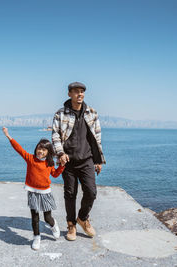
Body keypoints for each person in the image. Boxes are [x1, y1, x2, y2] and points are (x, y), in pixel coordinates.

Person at [51, 81, 106, 241]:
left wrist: (98, 160)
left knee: (91, 192)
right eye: (76, 91)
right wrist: (60, 153)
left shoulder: (92, 113)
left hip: (87, 159)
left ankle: (82, 218)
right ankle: (71, 225)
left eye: (82, 91)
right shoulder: (60, 114)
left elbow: (97, 137)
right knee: (70, 194)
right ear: (69, 94)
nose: (80, 94)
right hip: (68, 161)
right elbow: (55, 135)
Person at [2, 127, 65, 250]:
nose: (40, 151)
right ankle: (36, 237)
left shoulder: (49, 163)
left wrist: (62, 166)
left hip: (46, 193)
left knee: (47, 218)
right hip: (33, 193)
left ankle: (53, 225)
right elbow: (19, 149)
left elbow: (56, 174)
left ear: (48, 152)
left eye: (43, 149)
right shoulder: (30, 159)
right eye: (39, 148)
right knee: (35, 217)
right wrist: (8, 136)